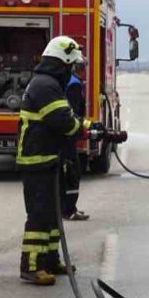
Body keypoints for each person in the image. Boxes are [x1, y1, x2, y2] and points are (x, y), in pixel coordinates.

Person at [16, 36, 94, 286]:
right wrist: (82, 128)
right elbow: (63, 120)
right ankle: (31, 266)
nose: (73, 70)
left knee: (52, 214)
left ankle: (50, 259)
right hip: (37, 159)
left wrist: (86, 126)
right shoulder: (45, 85)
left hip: (48, 157)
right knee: (39, 215)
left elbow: (65, 115)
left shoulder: (48, 83)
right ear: (63, 63)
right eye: (71, 65)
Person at [61, 57, 88, 221]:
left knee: (71, 171)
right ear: (80, 69)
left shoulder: (69, 81)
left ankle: (69, 208)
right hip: (68, 136)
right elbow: (74, 112)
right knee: (73, 172)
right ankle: (69, 210)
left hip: (65, 135)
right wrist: (83, 128)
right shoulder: (74, 85)